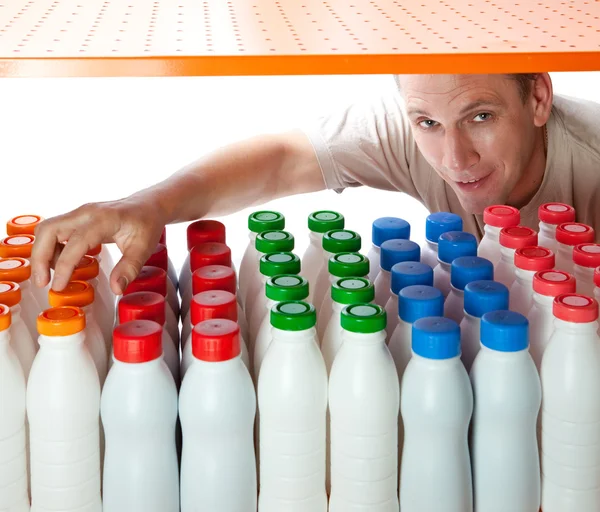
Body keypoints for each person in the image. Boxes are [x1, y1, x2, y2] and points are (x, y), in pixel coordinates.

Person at [30, 73, 600, 296]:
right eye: (427, 124)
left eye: (482, 117)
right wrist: (146, 204)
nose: (454, 159)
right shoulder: (420, 122)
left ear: (538, 98)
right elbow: (281, 158)